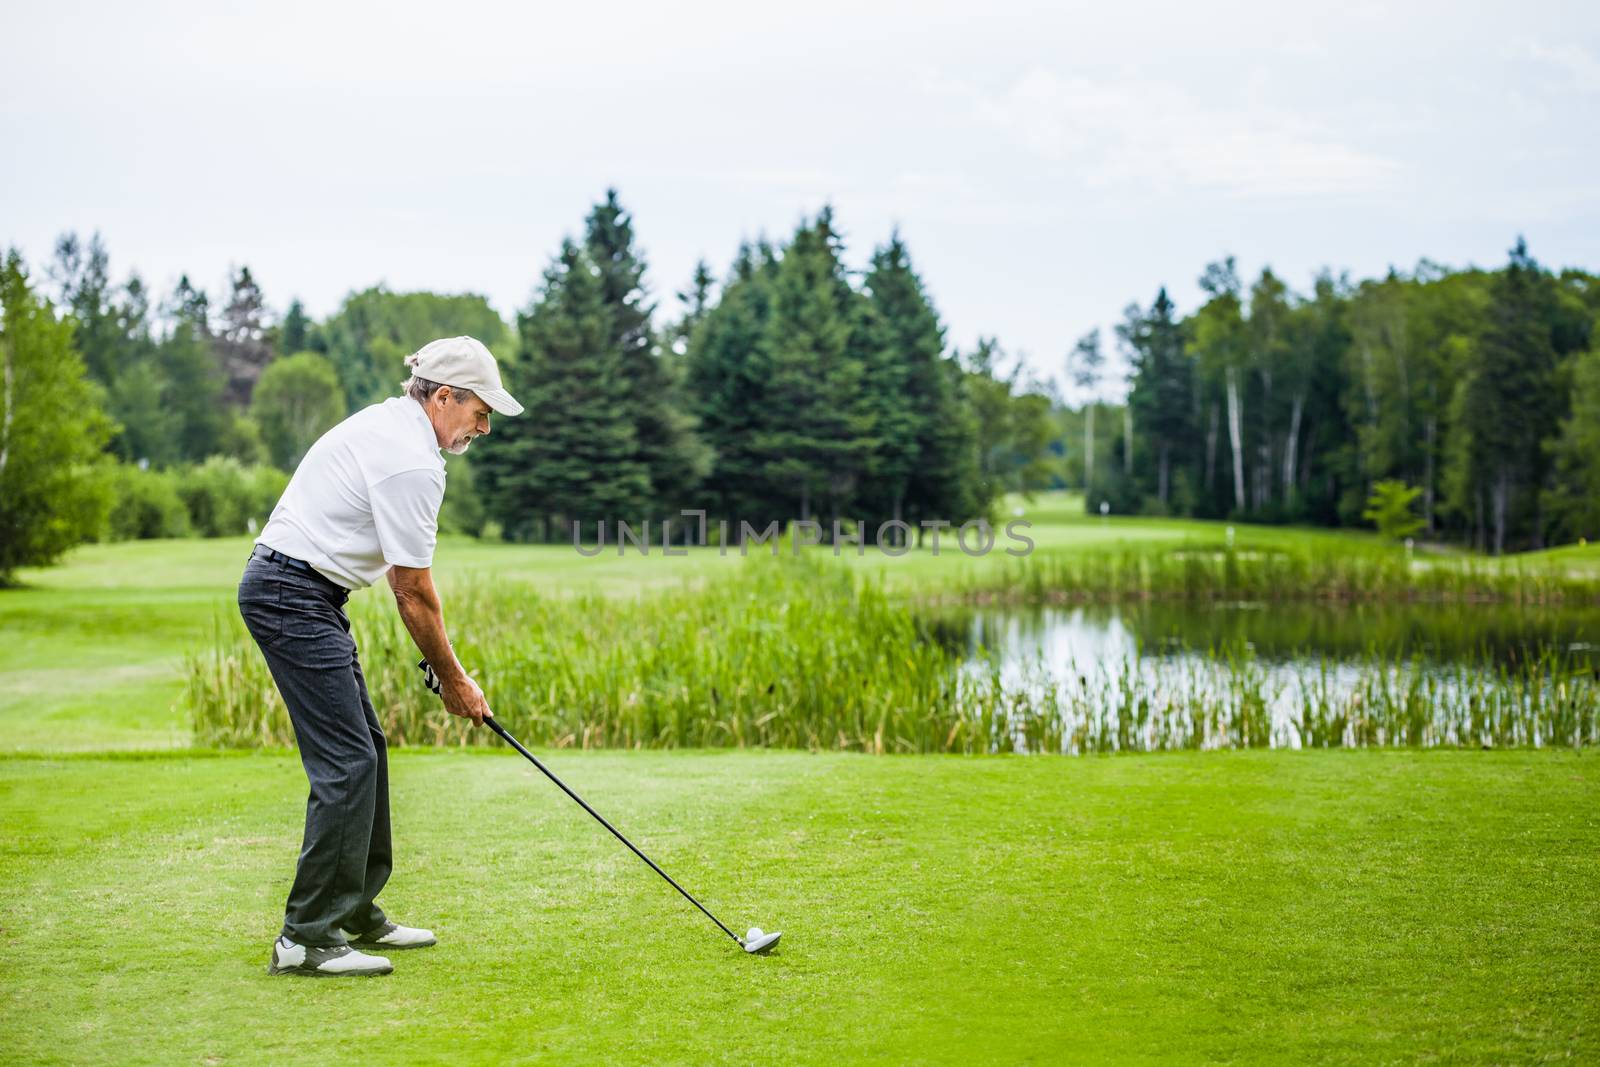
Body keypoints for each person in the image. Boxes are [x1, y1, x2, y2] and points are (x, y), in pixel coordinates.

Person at [237, 336, 523, 977]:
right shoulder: (411, 461)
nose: (485, 425)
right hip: (291, 594)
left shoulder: (395, 428)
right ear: (443, 397)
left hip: (306, 593)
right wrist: (454, 679)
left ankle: (353, 910)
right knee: (347, 761)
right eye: (480, 410)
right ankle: (305, 936)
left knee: (366, 747)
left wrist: (447, 671)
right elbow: (413, 590)